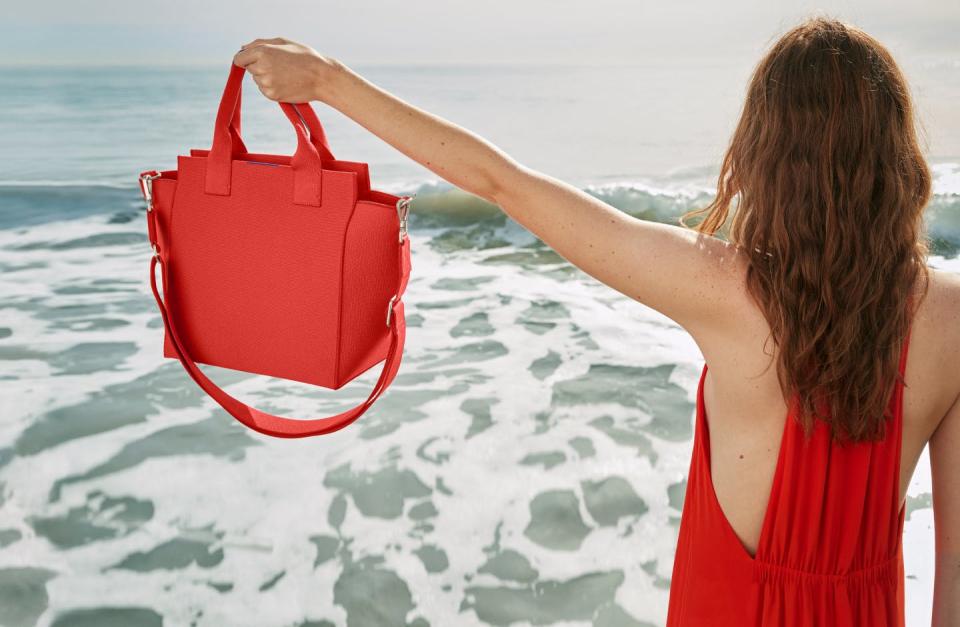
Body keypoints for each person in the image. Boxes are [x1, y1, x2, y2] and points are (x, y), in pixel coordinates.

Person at [233, 15, 959, 626]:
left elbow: (502, 182)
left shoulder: (723, 288)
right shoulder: (950, 317)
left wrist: (327, 81)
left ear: (767, 156)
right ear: (896, 158)